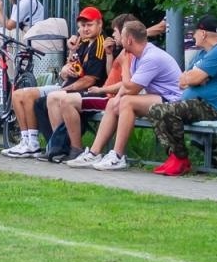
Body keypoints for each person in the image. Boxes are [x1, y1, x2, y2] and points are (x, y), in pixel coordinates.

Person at [66, 20, 183, 171]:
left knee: (127, 102)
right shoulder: (137, 54)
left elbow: (131, 89)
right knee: (114, 103)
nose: (117, 39)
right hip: (159, 97)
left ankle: (118, 156)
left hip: (174, 100)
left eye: (120, 35)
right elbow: (127, 87)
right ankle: (94, 153)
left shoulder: (150, 57)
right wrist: (115, 100)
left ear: (129, 40)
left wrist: (124, 65)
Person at [2, 7, 110, 157]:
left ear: (100, 24)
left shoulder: (99, 45)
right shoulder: (83, 42)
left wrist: (65, 89)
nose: (85, 29)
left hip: (82, 91)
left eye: (89, 25)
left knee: (41, 100)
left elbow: (89, 80)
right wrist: (69, 57)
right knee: (18, 94)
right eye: (82, 26)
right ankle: (30, 141)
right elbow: (70, 70)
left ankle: (55, 146)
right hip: (66, 85)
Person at [146, 14, 217, 176]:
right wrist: (195, 78)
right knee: (156, 109)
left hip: (213, 108)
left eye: (195, 33)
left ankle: (180, 158)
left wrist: (195, 78)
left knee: (160, 110)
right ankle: (175, 157)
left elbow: (193, 77)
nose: (193, 36)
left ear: (203, 33)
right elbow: (182, 80)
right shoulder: (202, 54)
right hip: (199, 104)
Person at [44, 13, 135, 162]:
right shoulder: (115, 50)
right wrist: (109, 55)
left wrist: (101, 90)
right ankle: (59, 147)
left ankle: (76, 149)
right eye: (82, 26)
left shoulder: (127, 53)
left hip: (110, 96)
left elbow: (126, 84)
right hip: (107, 94)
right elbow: (111, 75)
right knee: (51, 99)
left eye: (115, 32)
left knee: (64, 100)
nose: (112, 34)